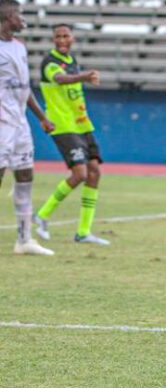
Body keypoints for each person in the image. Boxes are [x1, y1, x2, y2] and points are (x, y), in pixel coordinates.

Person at [33, 23, 109, 245]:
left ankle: (83, 232)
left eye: (66, 35)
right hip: (63, 125)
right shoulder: (50, 62)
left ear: (73, 38)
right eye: (58, 36)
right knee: (80, 174)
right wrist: (85, 76)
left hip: (83, 125)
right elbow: (60, 79)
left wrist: (83, 76)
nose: (62, 40)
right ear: (53, 39)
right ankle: (42, 214)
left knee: (94, 172)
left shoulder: (71, 62)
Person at [0, 0, 54, 255]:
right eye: (19, 14)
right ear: (8, 16)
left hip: (19, 123)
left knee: (25, 175)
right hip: (1, 123)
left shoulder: (20, 47)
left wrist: (41, 117)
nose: (22, 18)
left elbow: (25, 88)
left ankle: (24, 239)